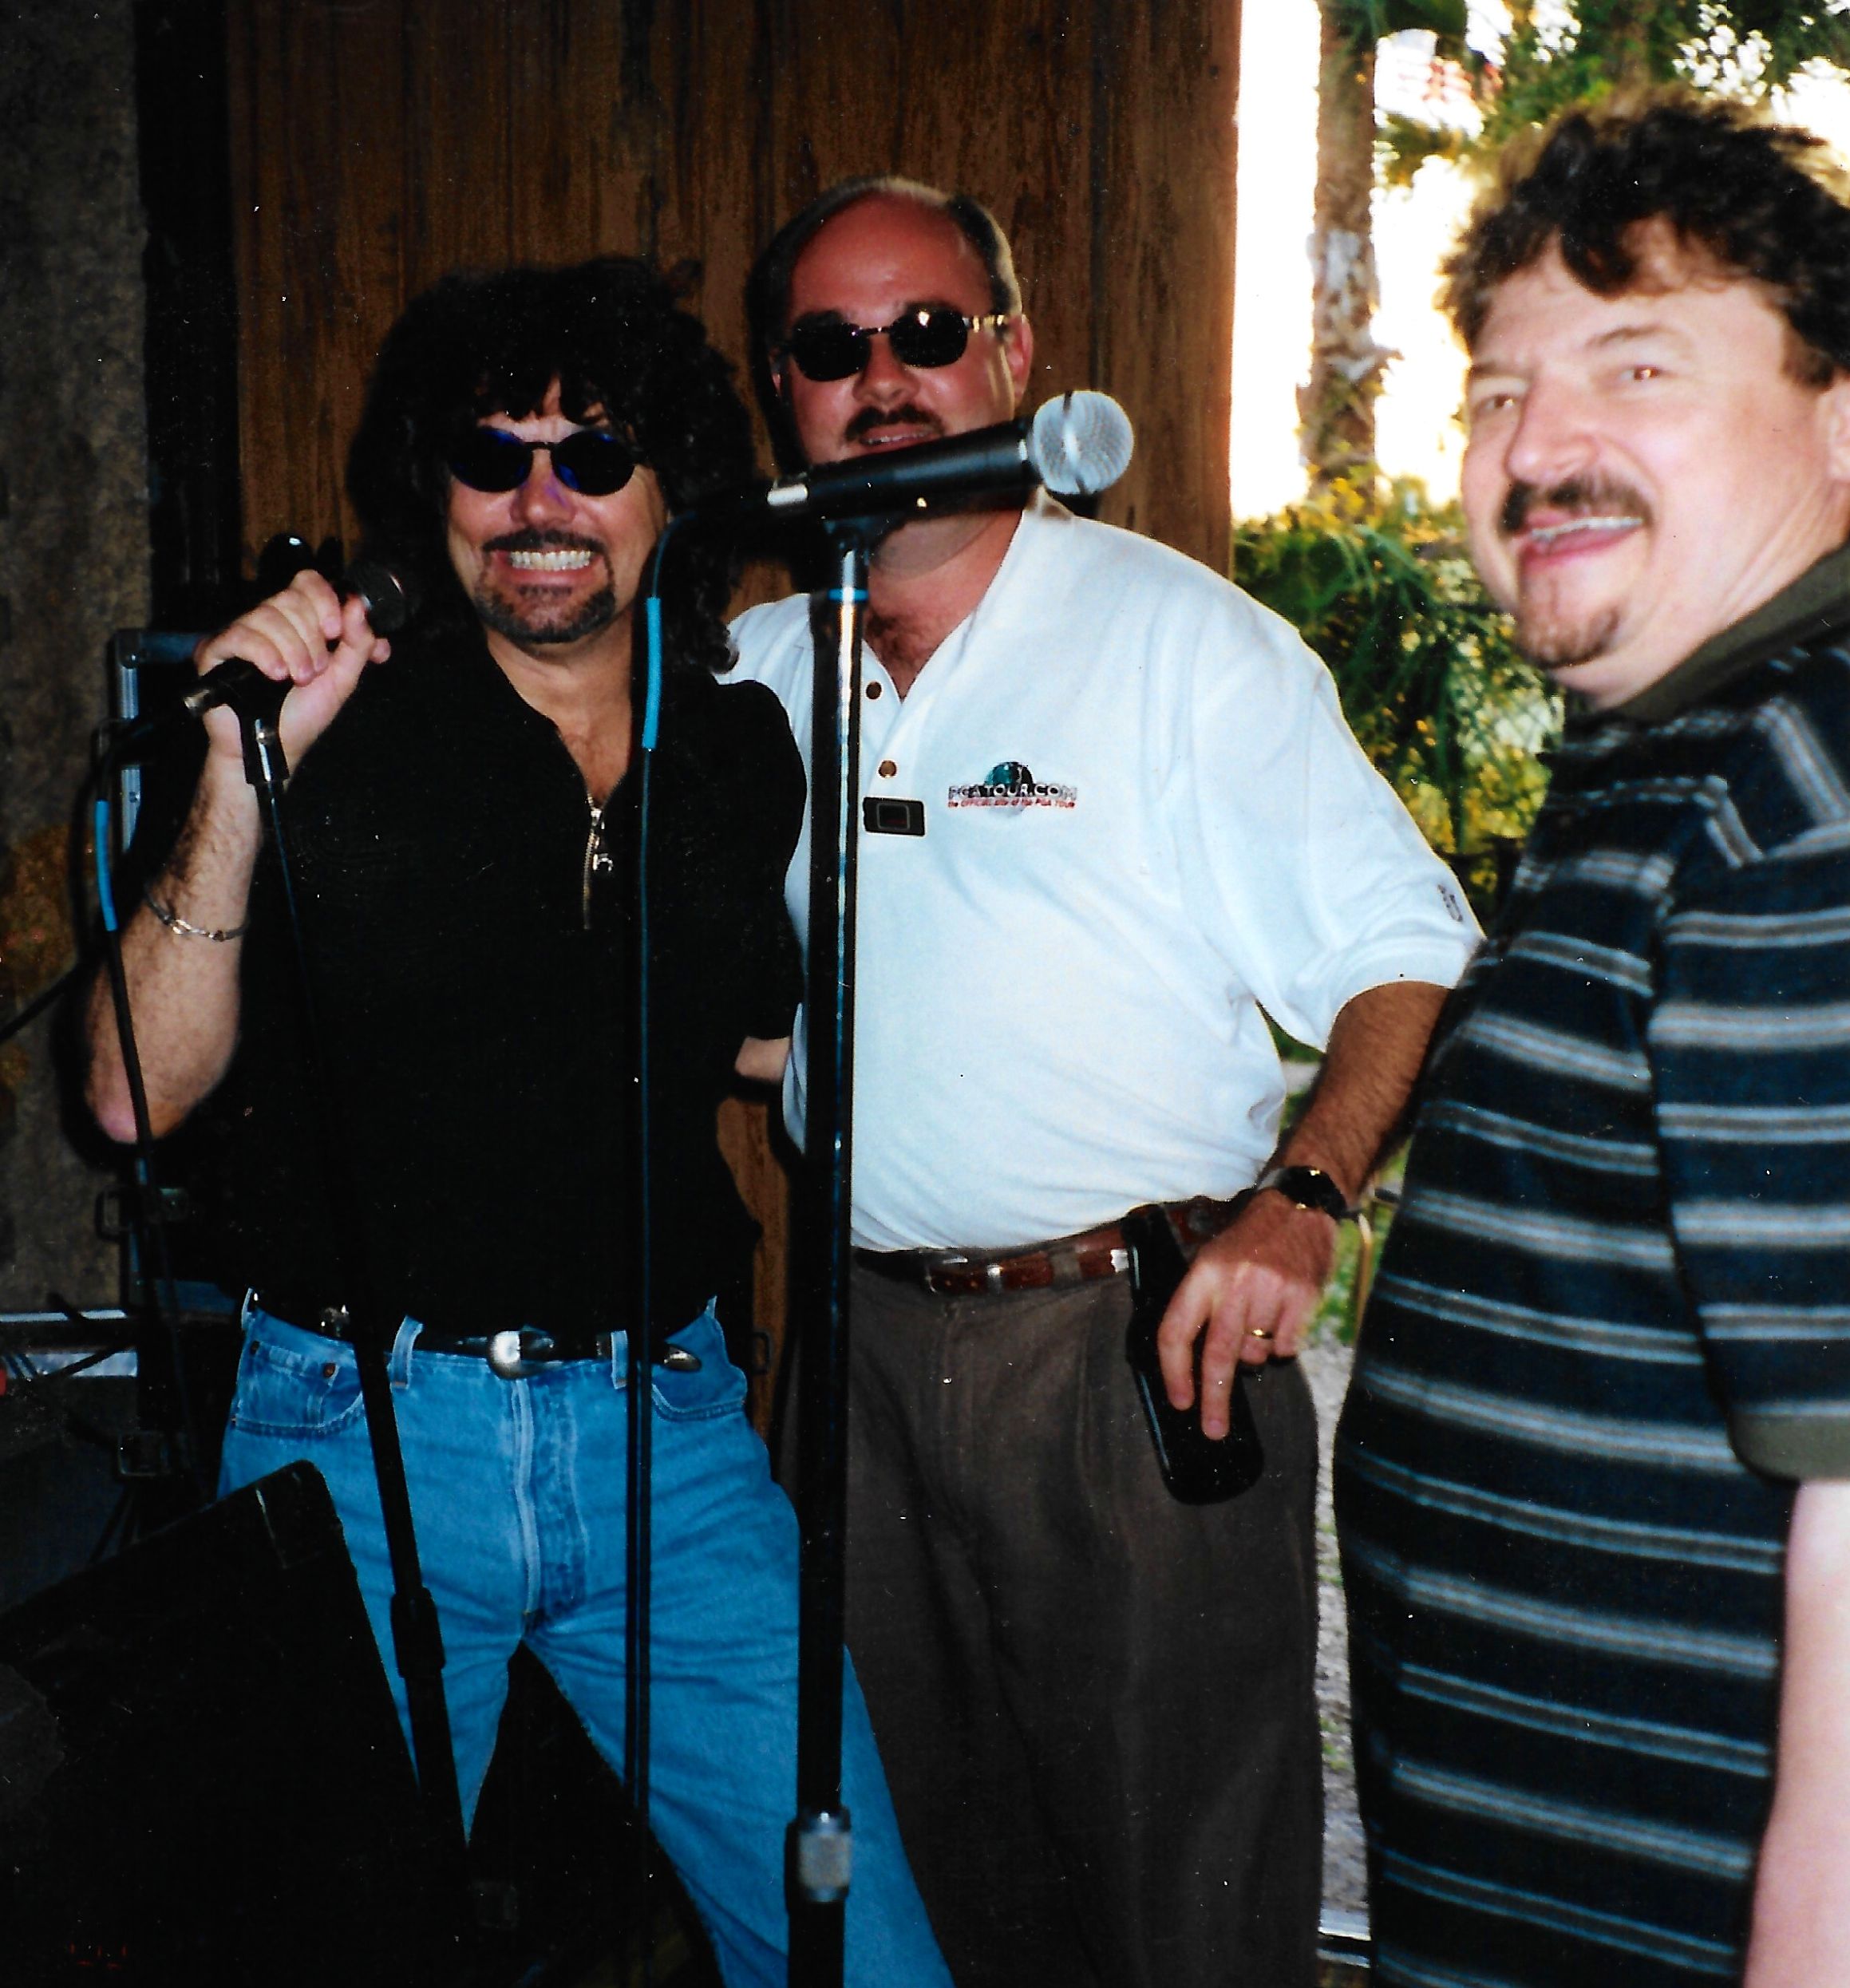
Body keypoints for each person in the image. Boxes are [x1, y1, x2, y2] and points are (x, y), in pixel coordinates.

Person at [83, 255, 949, 1988]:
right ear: (436, 491)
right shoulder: (347, 733)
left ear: (668, 490)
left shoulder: (740, 752)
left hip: (672, 1444)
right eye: (493, 459)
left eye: (594, 452)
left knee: (861, 1953)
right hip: (361, 1434)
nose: (541, 501)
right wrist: (243, 776)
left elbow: (749, 1033)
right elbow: (129, 1094)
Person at [727, 177, 1481, 1988]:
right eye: (836, 349)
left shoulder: (1177, 643)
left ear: (1015, 352)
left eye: (928, 333)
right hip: (858, 1363)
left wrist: (1303, 1206)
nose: (885, 380)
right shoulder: (757, 671)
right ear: (785, 393)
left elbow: (1413, 947)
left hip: (1126, 1356)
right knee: (916, 1888)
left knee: (1183, 1901)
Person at [1334, 92, 1850, 1988]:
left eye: (1637, 364)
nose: (1536, 446)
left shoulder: (1802, 789)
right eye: (1491, 393)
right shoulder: (1685, 753)